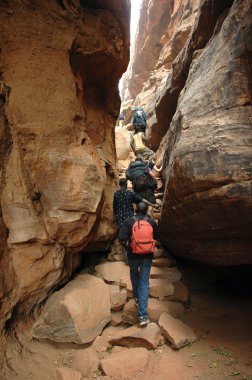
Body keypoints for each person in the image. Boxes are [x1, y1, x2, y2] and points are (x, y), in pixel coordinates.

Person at [119, 202, 159, 326]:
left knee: (133, 272)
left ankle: (136, 296)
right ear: (146, 210)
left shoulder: (128, 221)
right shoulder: (151, 222)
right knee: (144, 283)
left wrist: (127, 246)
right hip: (147, 256)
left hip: (132, 255)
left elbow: (121, 238)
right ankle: (142, 316)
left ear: (135, 210)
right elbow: (157, 236)